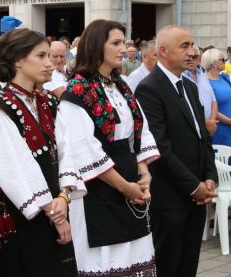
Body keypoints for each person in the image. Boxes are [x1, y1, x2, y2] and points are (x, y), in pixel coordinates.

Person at [0, 28, 86, 276]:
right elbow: (12, 167)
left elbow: (66, 151)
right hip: (20, 215)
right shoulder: (0, 107)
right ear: (18, 59)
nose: (50, 63)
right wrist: (56, 214)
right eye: (41, 56)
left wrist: (63, 196)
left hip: (54, 207)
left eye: (49, 56)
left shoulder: (47, 101)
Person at [60, 19, 160, 276]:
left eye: (123, 42)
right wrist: (126, 188)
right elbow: (84, 149)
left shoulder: (122, 85)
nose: (124, 48)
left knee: (135, 252)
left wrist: (144, 175)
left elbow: (140, 130)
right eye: (115, 43)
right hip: (98, 185)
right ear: (96, 46)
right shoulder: (77, 91)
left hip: (129, 173)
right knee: (107, 259)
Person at [135, 25, 218, 277]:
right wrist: (193, 186)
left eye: (193, 45)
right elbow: (159, 148)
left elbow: (202, 138)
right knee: (168, 265)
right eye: (185, 46)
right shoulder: (149, 89)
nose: (193, 52)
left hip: (197, 195)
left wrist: (210, 178)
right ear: (163, 51)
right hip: (170, 198)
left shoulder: (190, 86)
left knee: (188, 264)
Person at [202, 48, 231, 148]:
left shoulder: (226, 78)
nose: (225, 61)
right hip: (221, 128)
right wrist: (229, 121)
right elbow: (209, 107)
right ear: (214, 64)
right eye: (222, 59)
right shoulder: (204, 82)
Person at [183, 45, 218, 136]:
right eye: (187, 56)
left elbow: (213, 101)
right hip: (191, 129)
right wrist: (205, 123)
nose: (190, 59)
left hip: (209, 129)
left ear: (199, 58)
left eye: (194, 57)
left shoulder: (203, 76)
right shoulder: (179, 77)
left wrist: (211, 122)